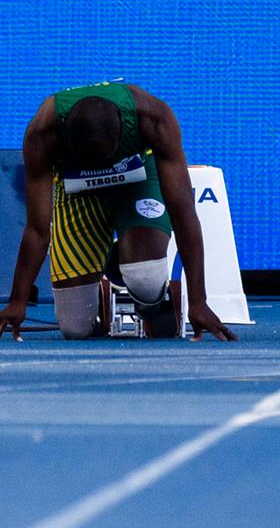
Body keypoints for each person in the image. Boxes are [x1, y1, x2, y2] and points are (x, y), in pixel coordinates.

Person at [1, 81, 234, 341]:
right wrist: (17, 301)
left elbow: (183, 213)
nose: (101, 166)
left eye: (104, 157)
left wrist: (198, 301)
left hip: (138, 179)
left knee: (144, 278)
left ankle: (151, 293)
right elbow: (37, 229)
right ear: (66, 135)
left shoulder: (154, 118)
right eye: (90, 158)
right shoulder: (42, 133)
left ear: (122, 132)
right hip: (77, 188)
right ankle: (100, 293)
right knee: (74, 328)